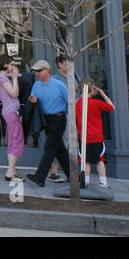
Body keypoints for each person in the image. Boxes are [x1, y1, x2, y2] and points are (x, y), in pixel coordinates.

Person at [26, 59, 81, 188]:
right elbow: (32, 98)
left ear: (47, 70)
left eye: (39, 70)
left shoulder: (59, 85)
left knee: (49, 147)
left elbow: (70, 102)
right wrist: (32, 101)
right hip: (46, 120)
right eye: (35, 71)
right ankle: (74, 177)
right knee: (60, 150)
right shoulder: (36, 85)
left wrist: (72, 118)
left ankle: (40, 176)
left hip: (58, 119)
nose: (37, 73)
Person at [74, 80, 116, 190]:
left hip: (84, 137)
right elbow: (112, 107)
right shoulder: (96, 103)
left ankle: (86, 182)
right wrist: (102, 94)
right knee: (99, 160)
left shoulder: (77, 103)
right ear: (92, 90)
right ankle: (103, 183)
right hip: (97, 137)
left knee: (85, 161)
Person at [0, 58, 24, 181]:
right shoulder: (2, 77)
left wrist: (13, 78)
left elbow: (15, 93)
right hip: (11, 112)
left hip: (10, 111)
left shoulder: (2, 77)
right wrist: (15, 78)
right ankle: (10, 172)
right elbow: (14, 93)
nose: (13, 66)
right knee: (17, 140)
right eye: (11, 64)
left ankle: (11, 169)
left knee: (12, 140)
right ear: (5, 64)